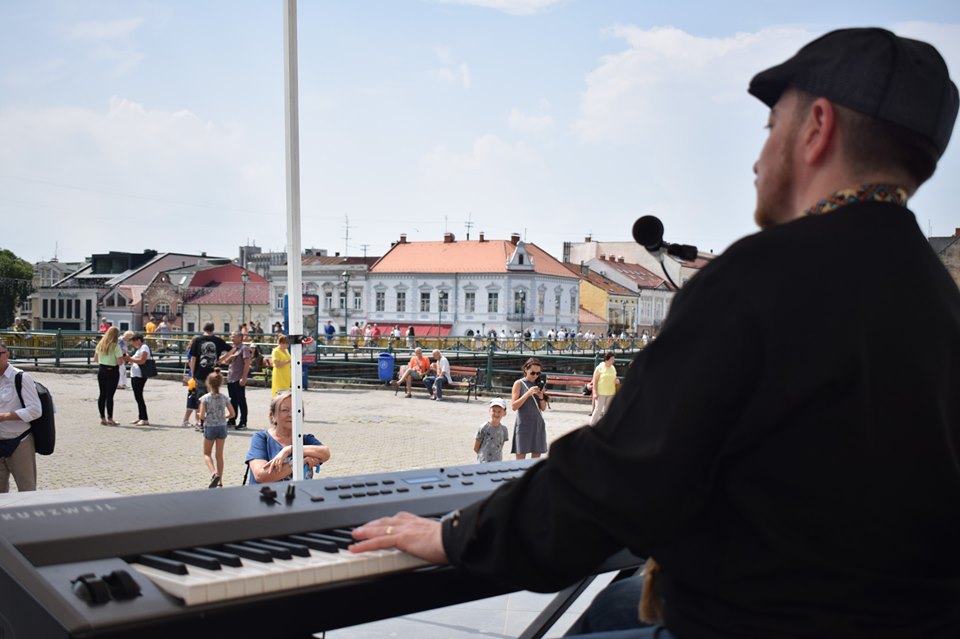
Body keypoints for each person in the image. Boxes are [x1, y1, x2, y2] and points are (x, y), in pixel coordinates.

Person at [350, 28, 960, 638]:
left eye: (771, 126)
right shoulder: (937, 295)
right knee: (614, 606)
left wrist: (456, 534)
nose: (756, 159)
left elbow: (614, 477)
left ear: (816, 127)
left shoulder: (761, 277)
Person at [244, 391, 330, 484]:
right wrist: (298, 462)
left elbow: (325, 453)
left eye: (296, 410)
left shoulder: (305, 439)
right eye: (285, 410)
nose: (291, 414)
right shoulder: (261, 438)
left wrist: (289, 450)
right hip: (265, 497)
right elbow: (261, 475)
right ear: (273, 415)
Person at [0, 339, 42, 493]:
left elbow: (35, 410)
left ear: (7, 355)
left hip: (20, 442)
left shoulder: (20, 378)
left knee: (27, 491)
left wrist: (4, 416)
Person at [183, 322, 230, 429]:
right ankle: (210, 421)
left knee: (200, 399)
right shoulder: (218, 340)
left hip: (199, 373)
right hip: (213, 374)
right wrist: (221, 360)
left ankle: (200, 422)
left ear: (203, 328)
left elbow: (193, 358)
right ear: (213, 329)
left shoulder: (197, 340)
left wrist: (192, 373)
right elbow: (232, 349)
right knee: (212, 397)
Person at [198, 368, 235, 488]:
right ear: (220, 383)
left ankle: (214, 474)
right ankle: (220, 481)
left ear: (208, 383)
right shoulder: (224, 398)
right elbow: (233, 414)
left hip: (210, 427)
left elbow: (202, 416)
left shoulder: (205, 398)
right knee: (219, 455)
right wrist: (224, 416)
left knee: (206, 454)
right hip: (222, 427)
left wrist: (199, 416)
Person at [509, 357, 547, 459]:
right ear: (526, 369)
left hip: (537, 423)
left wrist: (541, 397)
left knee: (535, 462)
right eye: (532, 373)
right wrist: (528, 394)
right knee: (520, 461)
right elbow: (513, 406)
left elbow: (543, 408)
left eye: (538, 373)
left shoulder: (540, 384)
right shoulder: (519, 383)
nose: (535, 376)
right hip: (523, 424)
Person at [220, 331, 251, 430]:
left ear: (240, 338)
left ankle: (243, 422)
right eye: (231, 336)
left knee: (241, 400)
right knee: (232, 400)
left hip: (238, 378)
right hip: (231, 378)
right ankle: (232, 419)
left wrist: (244, 377)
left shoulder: (244, 348)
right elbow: (224, 362)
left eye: (234, 336)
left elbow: (247, 363)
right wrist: (230, 357)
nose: (231, 338)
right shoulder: (233, 349)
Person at [94, 326, 122, 426]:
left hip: (102, 370)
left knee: (102, 394)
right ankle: (110, 418)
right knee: (110, 396)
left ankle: (102, 418)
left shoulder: (100, 344)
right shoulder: (115, 346)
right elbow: (120, 362)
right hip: (112, 371)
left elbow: (95, 359)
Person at [124, 333, 151, 425]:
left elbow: (142, 361)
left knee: (139, 396)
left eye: (133, 341)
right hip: (135, 375)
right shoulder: (139, 349)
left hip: (140, 375)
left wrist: (130, 359)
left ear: (138, 340)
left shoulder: (144, 347)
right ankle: (141, 416)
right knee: (137, 396)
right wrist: (130, 360)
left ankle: (144, 418)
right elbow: (136, 360)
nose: (133, 344)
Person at [474, 398, 509, 463]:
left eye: (499, 411)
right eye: (494, 411)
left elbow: (500, 447)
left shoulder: (504, 429)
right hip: (483, 463)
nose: (496, 414)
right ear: (489, 411)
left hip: (497, 462)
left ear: (504, 413)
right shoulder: (484, 427)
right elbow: (476, 448)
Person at [589, 351, 619, 426]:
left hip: (611, 392)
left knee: (607, 411)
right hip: (601, 393)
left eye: (613, 359)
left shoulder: (613, 368)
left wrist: (617, 380)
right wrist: (595, 392)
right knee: (598, 410)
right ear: (607, 359)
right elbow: (594, 382)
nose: (613, 361)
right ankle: (592, 425)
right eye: (612, 359)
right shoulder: (599, 368)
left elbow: (615, 378)